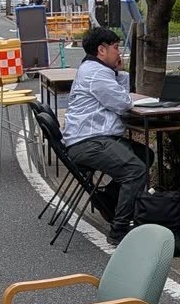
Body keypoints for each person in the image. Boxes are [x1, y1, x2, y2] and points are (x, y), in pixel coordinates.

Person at [61, 25, 153, 227]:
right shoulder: (97, 73)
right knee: (135, 170)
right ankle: (119, 226)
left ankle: (107, 200)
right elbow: (122, 103)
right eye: (115, 48)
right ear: (101, 50)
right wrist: (119, 74)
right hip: (89, 142)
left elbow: (119, 97)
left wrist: (117, 72)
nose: (118, 53)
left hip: (90, 139)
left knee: (144, 155)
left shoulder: (93, 69)